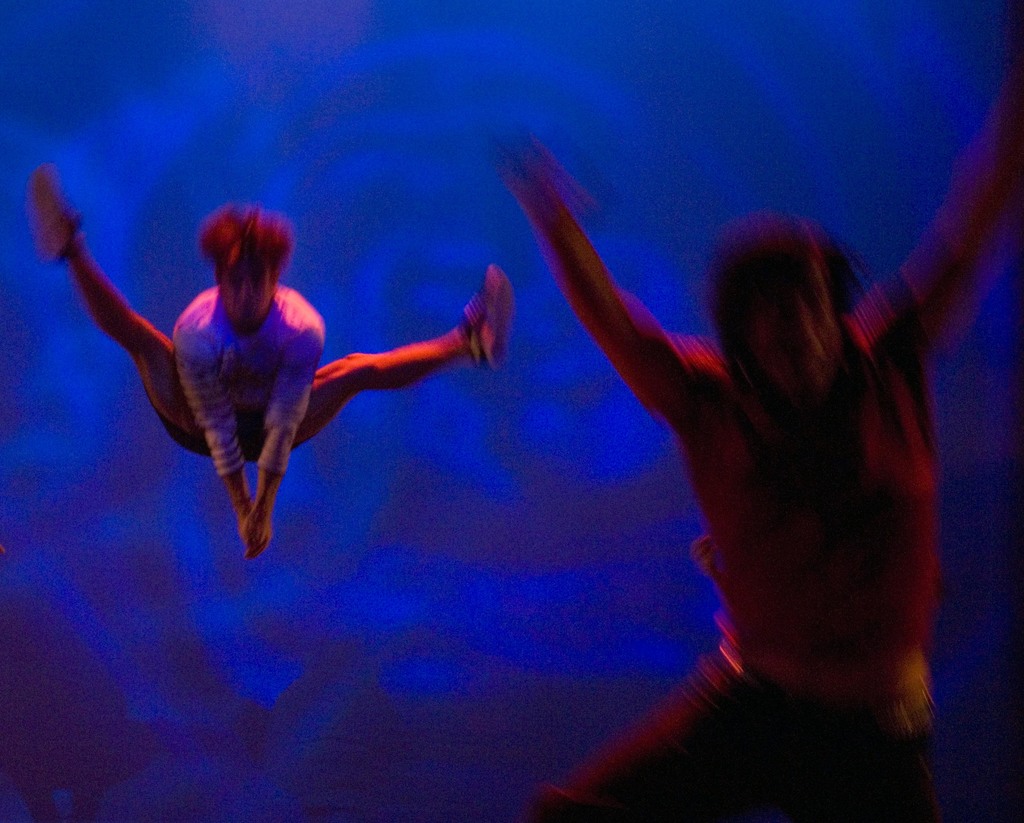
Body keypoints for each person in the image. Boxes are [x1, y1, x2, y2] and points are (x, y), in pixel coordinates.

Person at [502, 53, 1024, 823]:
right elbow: (616, 324)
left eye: (807, 303)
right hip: (752, 710)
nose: (793, 328)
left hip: (875, 735)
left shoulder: (892, 361)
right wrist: (556, 223)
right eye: (769, 313)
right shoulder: (710, 399)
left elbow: (969, 229)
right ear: (742, 331)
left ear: (835, 309)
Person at [27, 166, 513, 559]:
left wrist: (265, 507)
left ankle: (469, 343)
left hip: (273, 425)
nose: (244, 293)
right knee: (144, 342)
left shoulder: (301, 327)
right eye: (233, 281)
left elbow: (284, 422)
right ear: (218, 279)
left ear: (275, 279)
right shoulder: (197, 329)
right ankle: (71, 248)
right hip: (196, 423)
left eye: (255, 280)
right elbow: (217, 425)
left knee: (356, 371)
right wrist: (242, 507)